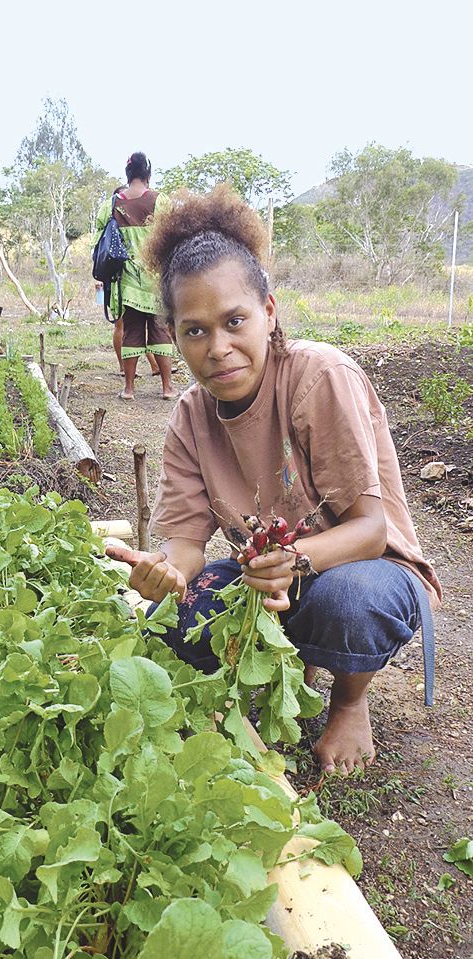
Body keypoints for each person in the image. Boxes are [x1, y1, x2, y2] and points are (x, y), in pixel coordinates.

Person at [106, 185, 441, 776]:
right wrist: (165, 572)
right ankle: (289, 670)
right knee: (180, 618)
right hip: (267, 573)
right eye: (194, 331)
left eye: (234, 321)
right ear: (173, 335)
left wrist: (296, 562)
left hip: (366, 567)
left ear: (269, 311)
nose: (219, 348)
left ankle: (349, 701)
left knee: (349, 601)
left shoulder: (319, 377)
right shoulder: (191, 414)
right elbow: (185, 544)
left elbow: (369, 530)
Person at [94, 153, 177, 401]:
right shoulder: (160, 201)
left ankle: (129, 389)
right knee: (160, 331)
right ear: (148, 174)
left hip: (126, 281)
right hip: (155, 280)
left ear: (128, 175)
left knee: (131, 331)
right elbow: (173, 237)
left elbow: (98, 240)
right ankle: (167, 388)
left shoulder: (111, 205)